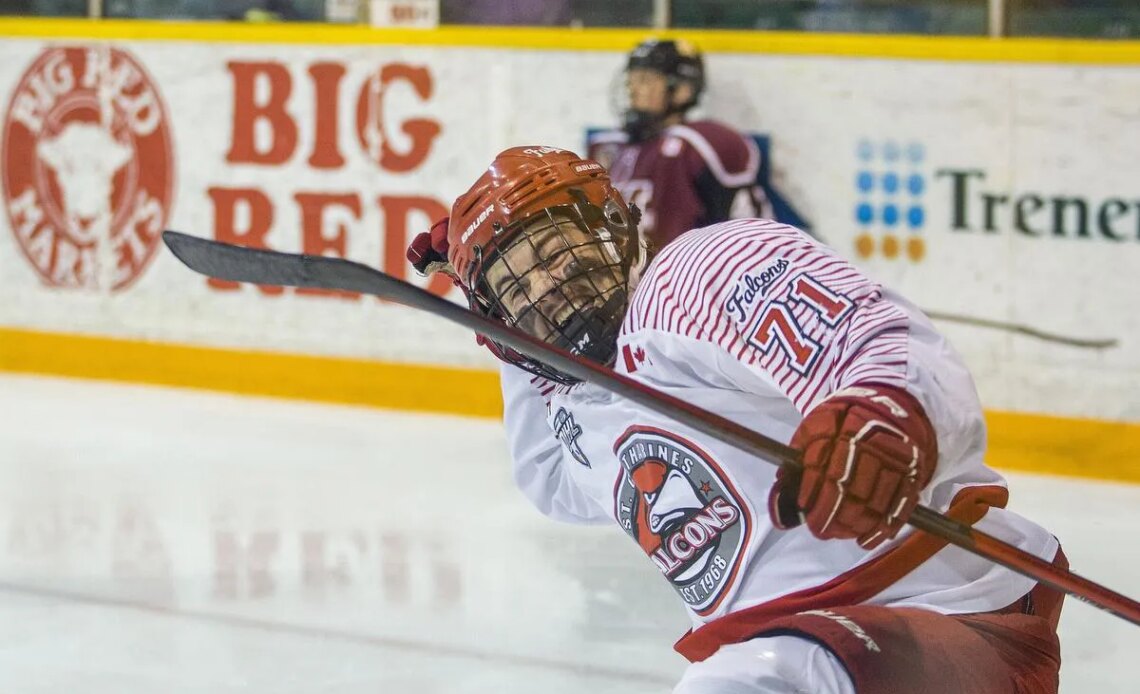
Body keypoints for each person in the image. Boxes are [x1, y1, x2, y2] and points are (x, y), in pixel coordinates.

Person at [407, 146, 1065, 693]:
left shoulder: (696, 275)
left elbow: (878, 340)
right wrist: (493, 317)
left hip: (948, 616)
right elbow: (549, 478)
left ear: (610, 223)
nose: (547, 285)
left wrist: (884, 417)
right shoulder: (578, 405)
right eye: (520, 286)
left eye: (554, 251)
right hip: (821, 650)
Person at [588, 38, 780, 252]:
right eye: (630, 80)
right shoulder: (608, 147)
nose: (633, 90)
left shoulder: (696, 146)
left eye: (645, 80)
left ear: (682, 91)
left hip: (689, 274)